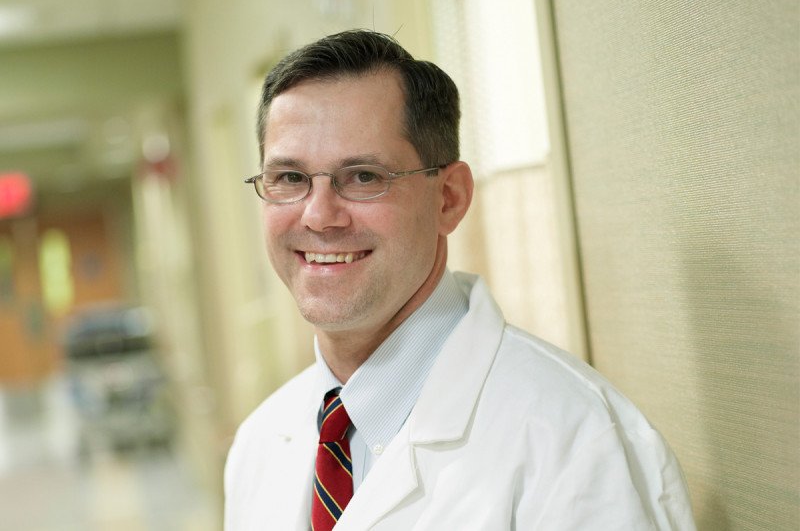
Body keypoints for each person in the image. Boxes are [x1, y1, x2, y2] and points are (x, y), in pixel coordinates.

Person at [225, 29, 696, 531]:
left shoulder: (575, 442)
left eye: (364, 176)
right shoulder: (259, 444)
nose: (319, 216)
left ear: (449, 197)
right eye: (290, 178)